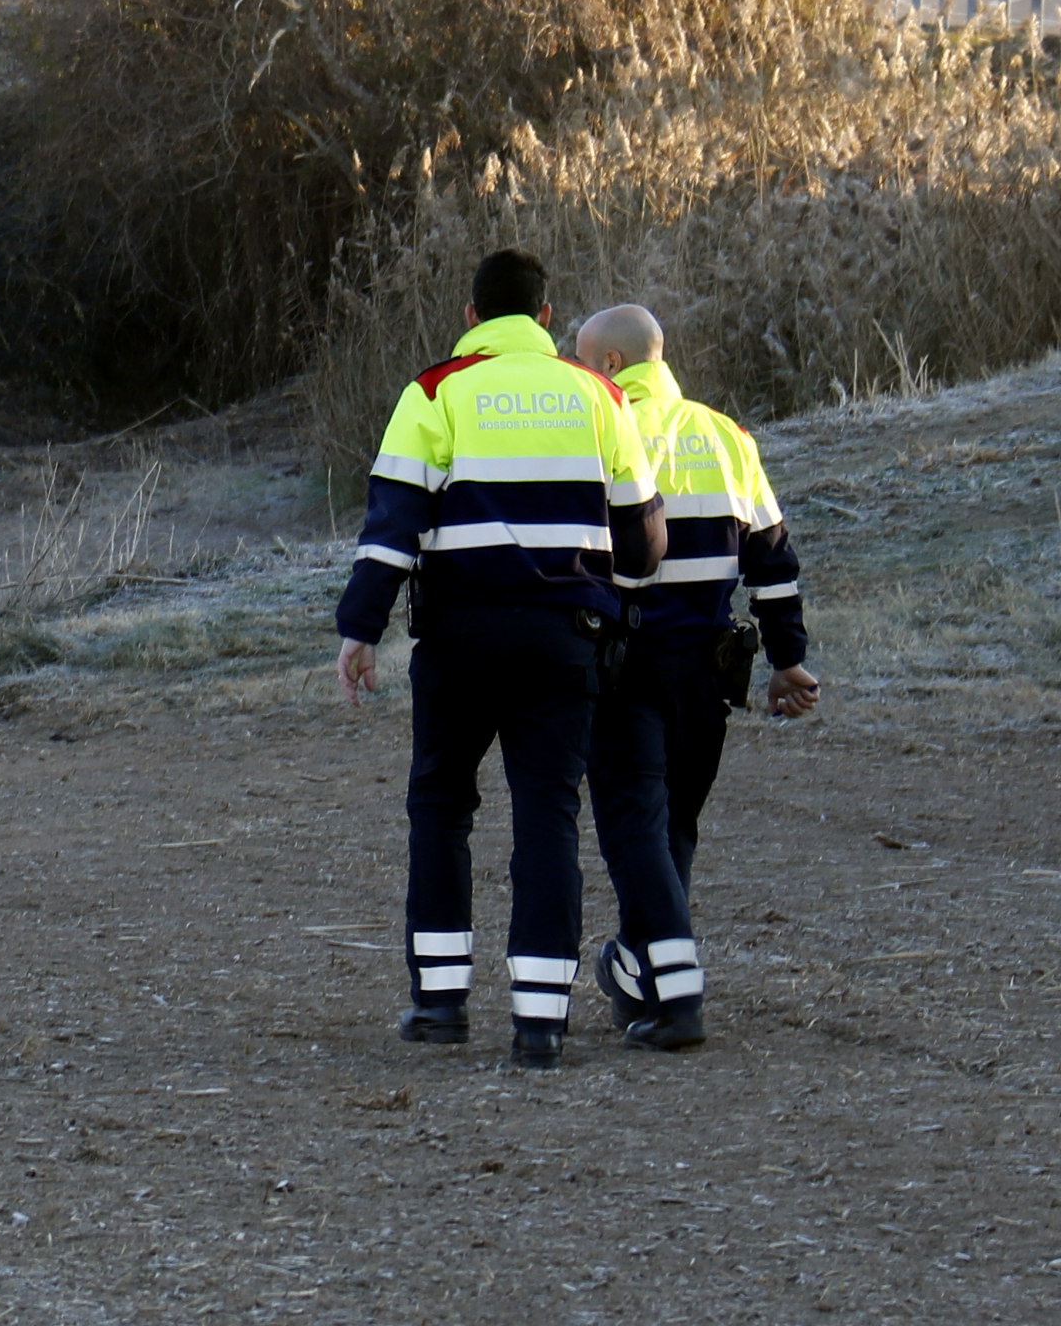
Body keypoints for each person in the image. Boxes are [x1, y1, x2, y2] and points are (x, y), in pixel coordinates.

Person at [332, 248, 687, 1068]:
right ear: (547, 318)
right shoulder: (597, 392)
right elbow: (641, 534)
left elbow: (392, 527)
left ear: (470, 318)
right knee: (548, 814)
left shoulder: (433, 391)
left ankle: (440, 1004)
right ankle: (540, 1023)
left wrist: (362, 627)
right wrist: (615, 582)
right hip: (565, 641)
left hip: (458, 637)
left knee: (442, 807)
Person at [567, 304, 821, 1048]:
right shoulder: (727, 435)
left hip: (625, 665)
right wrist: (788, 659)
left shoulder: (600, 430)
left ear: (609, 366)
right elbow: (773, 562)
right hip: (709, 671)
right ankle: (641, 977)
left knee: (632, 826)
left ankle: (675, 993)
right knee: (673, 823)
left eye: (582, 363)